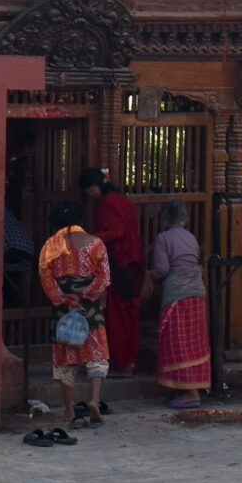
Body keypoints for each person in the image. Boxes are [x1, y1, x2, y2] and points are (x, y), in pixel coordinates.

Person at [38, 201, 111, 424]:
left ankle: (69, 410)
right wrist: (86, 295)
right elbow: (104, 278)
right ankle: (94, 399)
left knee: (65, 358)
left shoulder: (50, 245)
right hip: (90, 307)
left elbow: (46, 277)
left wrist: (64, 299)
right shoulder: (96, 243)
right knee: (97, 354)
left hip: (64, 309)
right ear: (81, 219)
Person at [82, 167, 144, 395]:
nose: (89, 195)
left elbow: (117, 232)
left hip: (120, 262)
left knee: (118, 315)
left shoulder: (107, 203)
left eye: (88, 190)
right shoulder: (123, 200)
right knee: (130, 314)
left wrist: (90, 238)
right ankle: (130, 362)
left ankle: (123, 363)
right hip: (134, 261)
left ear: (94, 186)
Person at [148, 199, 210, 409]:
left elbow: (162, 269)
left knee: (177, 342)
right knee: (193, 343)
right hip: (197, 294)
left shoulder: (163, 238)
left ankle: (189, 392)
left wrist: (151, 277)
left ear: (165, 218)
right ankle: (190, 388)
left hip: (176, 295)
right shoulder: (191, 237)